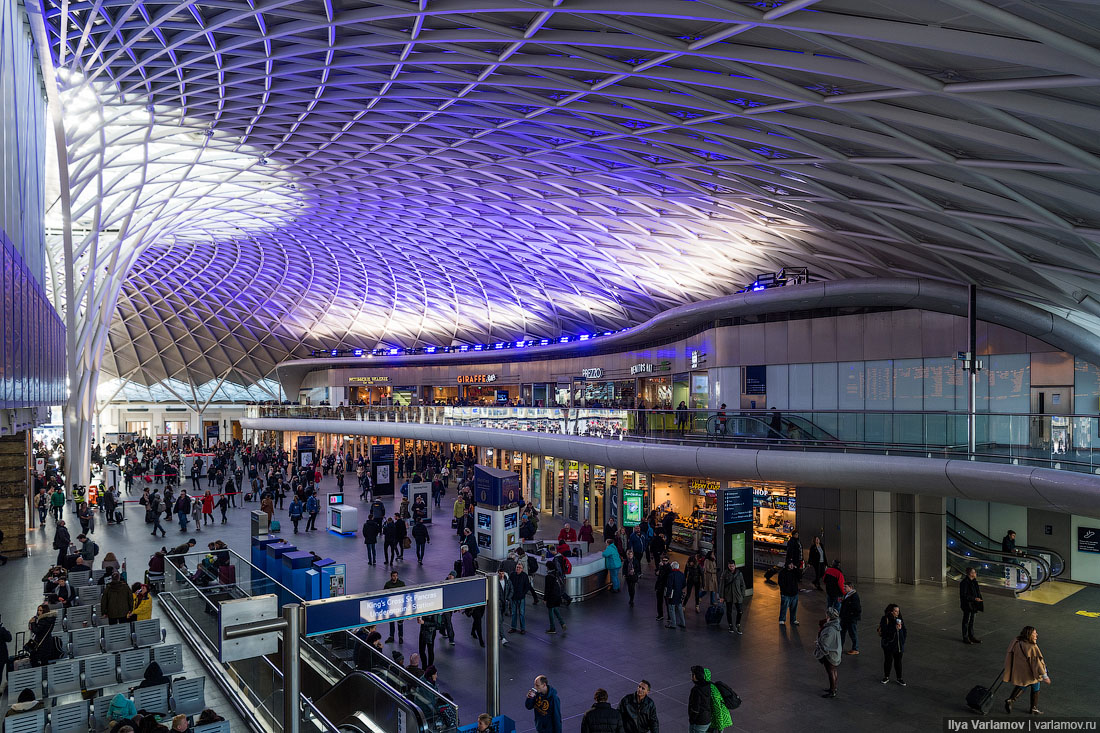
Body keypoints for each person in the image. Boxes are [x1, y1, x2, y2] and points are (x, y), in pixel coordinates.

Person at [1003, 626, 1050, 715]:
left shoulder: (1017, 642)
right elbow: (1036, 663)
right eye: (1034, 633)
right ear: (1029, 635)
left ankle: (1011, 700)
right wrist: (1044, 675)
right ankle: (1033, 708)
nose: (1036, 635)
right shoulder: (1031, 647)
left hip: (1020, 670)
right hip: (1030, 671)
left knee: (1025, 683)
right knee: (1035, 684)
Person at [815, 607, 843, 698]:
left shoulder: (830, 628)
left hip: (830, 654)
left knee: (831, 671)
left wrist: (819, 642)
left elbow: (825, 642)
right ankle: (833, 687)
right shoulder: (836, 625)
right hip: (835, 652)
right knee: (834, 671)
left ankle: (832, 691)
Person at [877, 603, 906, 686]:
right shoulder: (885, 619)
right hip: (889, 645)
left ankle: (899, 678)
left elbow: (904, 630)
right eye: (895, 611)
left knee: (898, 662)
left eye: (898, 611)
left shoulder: (899, 619)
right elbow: (885, 632)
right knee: (888, 660)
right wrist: (894, 627)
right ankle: (886, 676)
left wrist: (903, 639)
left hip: (899, 645)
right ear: (891, 611)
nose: (897, 613)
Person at [720, 560, 746, 634]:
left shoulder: (739, 574)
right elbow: (721, 585)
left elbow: (742, 584)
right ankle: (730, 625)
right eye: (730, 566)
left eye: (732, 566)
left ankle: (738, 625)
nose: (731, 567)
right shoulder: (725, 573)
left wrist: (742, 594)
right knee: (729, 611)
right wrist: (721, 596)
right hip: (728, 595)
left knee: (740, 611)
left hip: (738, 596)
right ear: (728, 566)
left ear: (735, 565)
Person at [959, 567, 984, 644]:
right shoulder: (964, 583)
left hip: (973, 605)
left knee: (971, 621)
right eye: (974, 572)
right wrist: (974, 598)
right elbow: (964, 595)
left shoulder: (974, 581)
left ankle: (971, 636)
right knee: (966, 621)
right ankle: (965, 637)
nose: (976, 573)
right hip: (967, 605)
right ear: (971, 573)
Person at [839, 583, 862, 655]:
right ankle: (840, 647)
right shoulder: (847, 594)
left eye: (845, 586)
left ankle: (855, 649)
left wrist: (851, 616)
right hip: (845, 618)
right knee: (841, 633)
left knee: (852, 633)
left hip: (850, 619)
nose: (844, 588)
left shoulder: (854, 596)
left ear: (850, 587)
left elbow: (858, 609)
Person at [383, 571, 405, 643]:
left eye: (396, 576)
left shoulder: (401, 584)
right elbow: (384, 594)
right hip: (391, 606)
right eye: (393, 576)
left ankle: (400, 637)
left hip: (399, 606)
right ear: (391, 576)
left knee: (400, 622)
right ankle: (391, 636)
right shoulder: (388, 584)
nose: (395, 577)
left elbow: (405, 594)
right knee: (391, 622)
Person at [544, 567, 567, 634]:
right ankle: (562, 623)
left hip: (551, 597)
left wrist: (545, 598)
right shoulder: (556, 574)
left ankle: (552, 628)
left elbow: (547, 589)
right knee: (555, 610)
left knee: (550, 611)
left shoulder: (548, 577)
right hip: (557, 596)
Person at [664, 561, 687, 630]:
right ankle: (683, 623)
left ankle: (673, 624)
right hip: (679, 592)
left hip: (672, 593)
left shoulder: (671, 575)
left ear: (672, 567)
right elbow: (684, 584)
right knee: (679, 607)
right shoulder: (681, 574)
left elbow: (669, 586)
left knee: (671, 608)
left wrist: (667, 595)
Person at [510, 562, 531, 634]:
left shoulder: (524, 576)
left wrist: (523, 593)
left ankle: (522, 628)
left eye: (519, 568)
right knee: (513, 613)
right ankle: (513, 627)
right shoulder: (512, 575)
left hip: (521, 597)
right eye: (517, 567)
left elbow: (527, 586)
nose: (518, 569)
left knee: (521, 613)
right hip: (513, 597)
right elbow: (509, 584)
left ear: (522, 569)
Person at [777, 561, 800, 626]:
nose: (792, 565)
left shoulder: (794, 571)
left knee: (794, 608)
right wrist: (785, 590)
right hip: (786, 594)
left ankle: (793, 619)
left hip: (794, 593)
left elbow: (800, 577)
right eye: (790, 564)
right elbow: (780, 583)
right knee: (784, 607)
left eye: (793, 564)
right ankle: (782, 619)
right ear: (787, 565)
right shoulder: (783, 572)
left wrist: (796, 569)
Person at [654, 555, 671, 621]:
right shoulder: (661, 566)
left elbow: (665, 574)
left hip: (665, 586)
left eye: (666, 561)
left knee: (667, 602)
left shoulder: (669, 567)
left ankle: (669, 616)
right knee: (659, 602)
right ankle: (660, 615)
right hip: (659, 586)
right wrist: (657, 572)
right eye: (663, 560)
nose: (664, 562)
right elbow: (657, 573)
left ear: (668, 561)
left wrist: (662, 567)